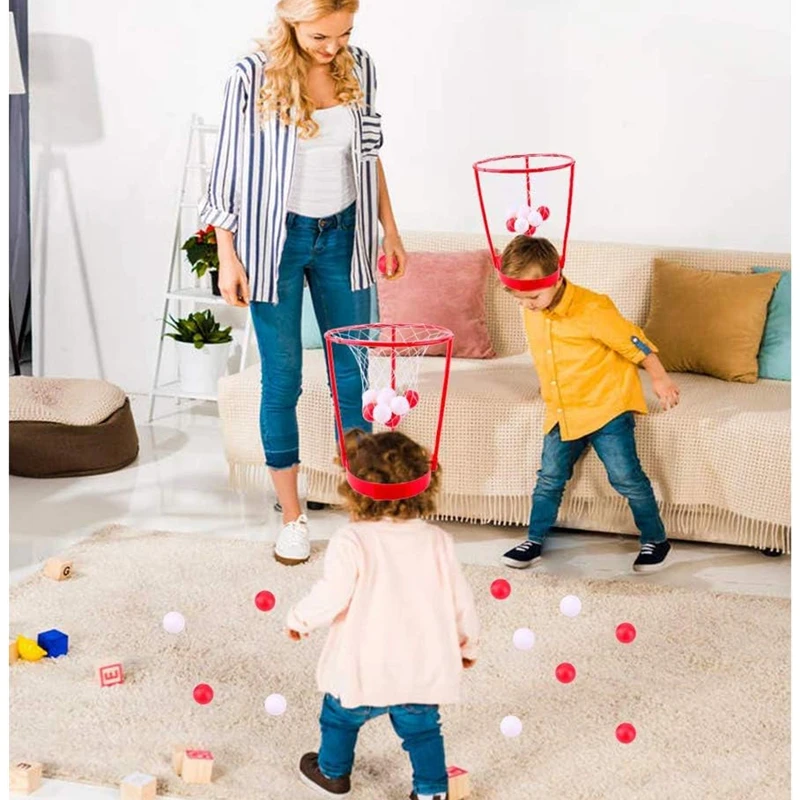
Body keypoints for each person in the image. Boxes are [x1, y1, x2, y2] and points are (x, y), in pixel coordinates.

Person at [200, 0, 406, 566]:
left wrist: (389, 229)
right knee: (283, 378)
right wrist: (228, 255)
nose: (333, 46)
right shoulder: (251, 73)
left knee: (355, 376)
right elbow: (226, 169)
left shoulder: (358, 64)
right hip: (275, 244)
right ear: (290, 19)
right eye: (320, 35)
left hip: (345, 234)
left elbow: (370, 156)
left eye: (344, 32)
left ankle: (365, 514)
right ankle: (293, 520)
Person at [286, 429, 480, 800]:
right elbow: (461, 601)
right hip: (419, 668)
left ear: (354, 490)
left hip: (364, 666)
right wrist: (467, 644)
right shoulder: (438, 540)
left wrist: (300, 618)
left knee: (339, 719)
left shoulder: (352, 540)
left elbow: (331, 596)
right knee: (423, 731)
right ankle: (431, 791)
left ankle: (332, 774)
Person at [498, 236, 680, 573]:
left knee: (625, 477)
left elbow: (634, 342)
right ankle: (534, 539)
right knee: (549, 477)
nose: (527, 305)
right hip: (563, 410)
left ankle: (655, 538)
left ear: (556, 277)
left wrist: (659, 378)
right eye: (519, 299)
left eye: (533, 296)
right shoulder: (531, 307)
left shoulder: (593, 308)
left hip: (605, 407)